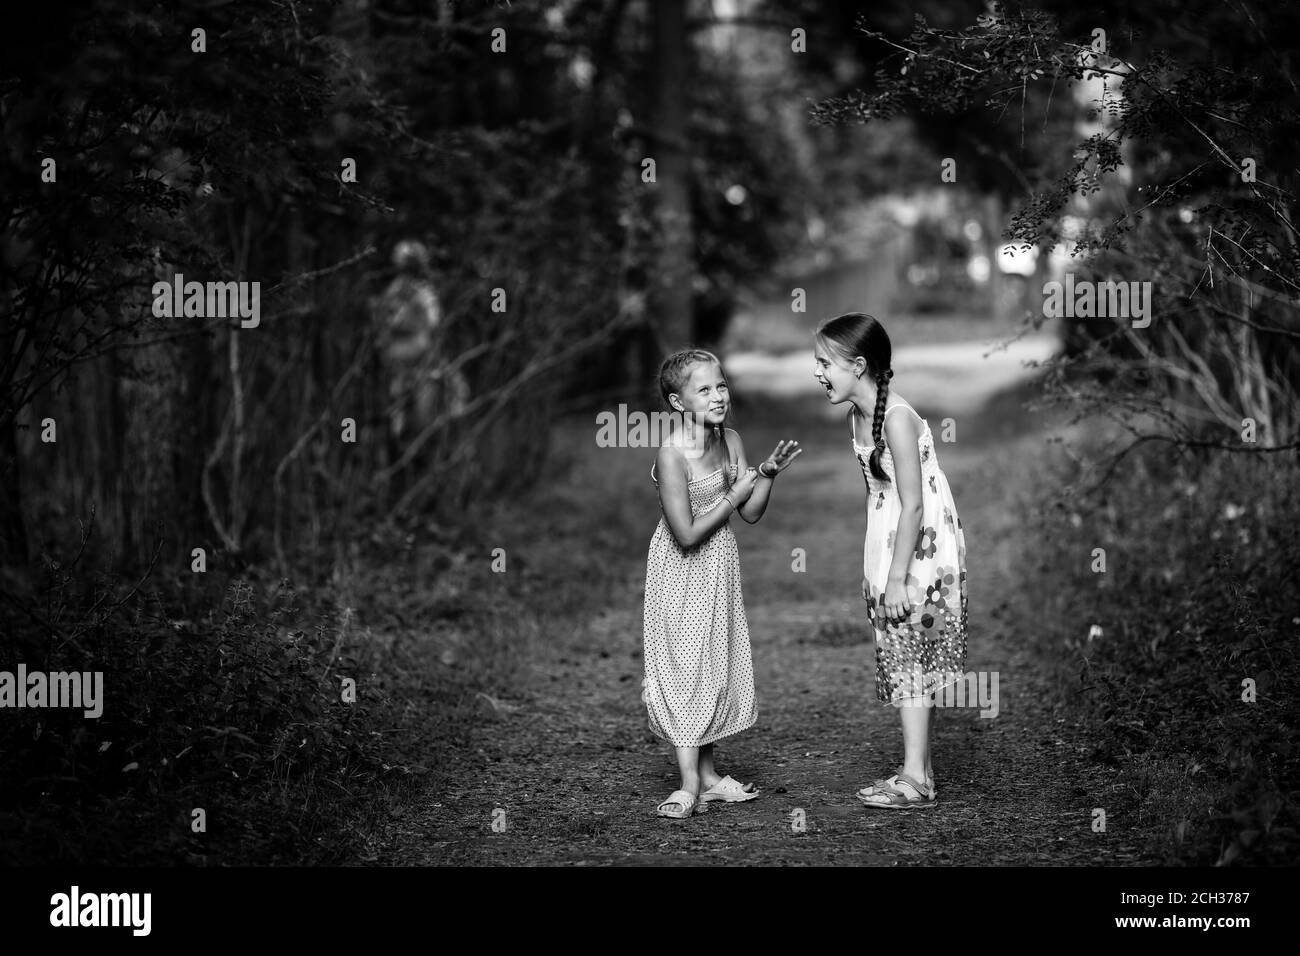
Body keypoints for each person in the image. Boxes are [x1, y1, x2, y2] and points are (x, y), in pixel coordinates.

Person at [813, 313, 968, 809]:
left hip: (921, 546)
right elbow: (876, 497)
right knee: (905, 652)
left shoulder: (897, 419)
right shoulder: (857, 415)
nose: (817, 373)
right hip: (890, 541)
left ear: (858, 366)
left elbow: (915, 503)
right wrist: (876, 565)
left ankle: (916, 777)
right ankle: (918, 769)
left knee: (910, 653)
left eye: (825, 363)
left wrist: (898, 576)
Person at [642, 349, 801, 819]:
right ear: (677, 401)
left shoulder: (730, 440)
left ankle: (710, 777)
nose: (718, 396)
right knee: (685, 668)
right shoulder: (672, 454)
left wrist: (765, 477)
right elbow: (686, 533)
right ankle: (689, 782)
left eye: (722, 386)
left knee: (711, 664)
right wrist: (734, 493)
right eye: (704, 389)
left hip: (719, 569)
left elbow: (750, 514)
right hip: (679, 572)